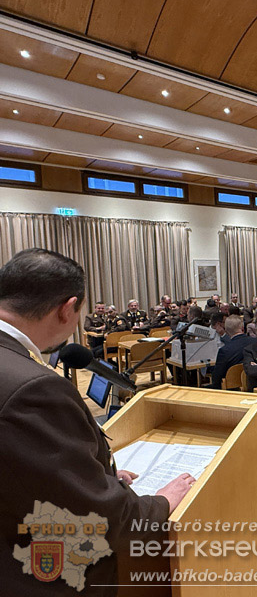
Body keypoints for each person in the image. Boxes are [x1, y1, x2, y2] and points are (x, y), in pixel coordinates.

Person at [0, 249, 193, 595]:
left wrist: (91, 474)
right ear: (67, 308)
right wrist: (162, 501)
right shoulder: (34, 387)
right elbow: (100, 518)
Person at [210, 315, 257, 390]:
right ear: (242, 328)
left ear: (226, 331)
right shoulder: (256, 342)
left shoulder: (224, 351)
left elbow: (216, 379)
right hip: (256, 385)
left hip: (233, 390)